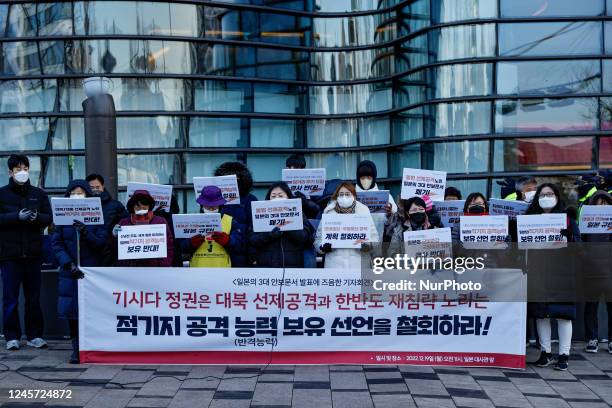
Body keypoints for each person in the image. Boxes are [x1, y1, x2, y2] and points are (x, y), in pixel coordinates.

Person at [52, 180, 108, 364]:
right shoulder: (61, 219)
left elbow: (101, 243)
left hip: (91, 271)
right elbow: (57, 244)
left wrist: (86, 232)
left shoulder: (97, 216)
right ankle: (76, 348)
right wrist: (68, 264)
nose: (77, 196)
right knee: (72, 312)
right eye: (73, 193)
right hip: (70, 271)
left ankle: (93, 345)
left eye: (80, 192)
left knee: (92, 310)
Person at [0, 154, 52, 351]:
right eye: (18, 169)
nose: (22, 172)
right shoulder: (2, 194)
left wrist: (37, 218)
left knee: (33, 298)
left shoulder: (38, 194)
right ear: (10, 172)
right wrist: (16, 217)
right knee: (10, 298)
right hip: (9, 255)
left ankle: (35, 335)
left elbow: (49, 217)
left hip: (33, 253)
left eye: (25, 168)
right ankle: (12, 336)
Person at [527, 183, 581, 371]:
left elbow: (580, 249)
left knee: (563, 316)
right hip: (538, 274)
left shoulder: (568, 220)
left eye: (549, 194)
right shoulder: (529, 219)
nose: (545, 198)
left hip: (562, 274)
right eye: (542, 195)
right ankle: (546, 352)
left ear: (557, 197)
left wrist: (570, 240)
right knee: (541, 315)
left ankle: (564, 355)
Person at [249, 183, 315, 268]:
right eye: (273, 196)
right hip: (266, 265)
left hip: (293, 265)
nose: (277, 199)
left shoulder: (298, 214)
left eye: (280, 196)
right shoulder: (259, 214)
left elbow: (304, 237)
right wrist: (269, 235)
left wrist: (288, 225)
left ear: (288, 197)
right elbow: (252, 239)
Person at [315, 182, 379, 269]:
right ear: (336, 196)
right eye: (341, 194)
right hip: (335, 266)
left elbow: (375, 238)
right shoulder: (329, 213)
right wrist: (322, 247)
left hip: (359, 265)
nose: (344, 197)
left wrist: (368, 246)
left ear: (354, 195)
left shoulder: (363, 211)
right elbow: (318, 239)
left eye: (347, 194)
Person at [581, 190, 612, 354]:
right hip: (591, 272)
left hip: (610, 272)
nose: (603, 206)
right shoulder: (586, 224)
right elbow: (581, 244)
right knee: (591, 308)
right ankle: (592, 339)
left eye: (606, 203)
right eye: (599, 203)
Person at [183, 186, 245, 268]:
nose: (211, 208)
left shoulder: (230, 221)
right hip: (197, 268)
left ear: (220, 205)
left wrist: (228, 241)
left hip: (222, 269)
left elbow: (240, 244)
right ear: (202, 205)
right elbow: (180, 246)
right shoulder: (191, 220)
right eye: (207, 206)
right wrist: (190, 243)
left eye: (215, 205)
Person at [113, 190, 174, 267]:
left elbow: (169, 245)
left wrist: (163, 264)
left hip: (155, 268)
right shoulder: (124, 222)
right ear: (133, 206)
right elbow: (116, 248)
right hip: (130, 269)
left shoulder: (160, 221)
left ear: (149, 206)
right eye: (137, 206)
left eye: (144, 206)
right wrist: (114, 237)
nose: (141, 208)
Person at [214, 162, 257, 266]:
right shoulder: (213, 199)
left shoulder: (250, 199)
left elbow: (254, 229)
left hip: (242, 253)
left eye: (234, 179)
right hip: (215, 251)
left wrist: (253, 254)